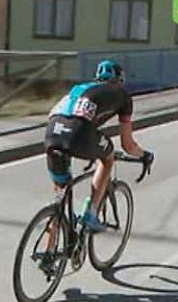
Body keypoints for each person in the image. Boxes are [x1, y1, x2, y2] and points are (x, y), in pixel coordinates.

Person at [44, 60, 152, 233]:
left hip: (52, 132)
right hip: (78, 133)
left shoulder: (83, 88)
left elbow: (78, 118)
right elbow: (127, 144)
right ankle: (91, 214)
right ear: (119, 80)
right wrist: (144, 155)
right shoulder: (122, 95)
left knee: (60, 197)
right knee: (107, 158)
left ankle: (48, 253)